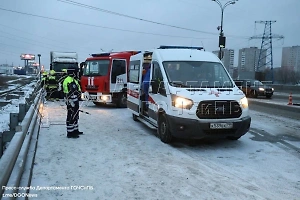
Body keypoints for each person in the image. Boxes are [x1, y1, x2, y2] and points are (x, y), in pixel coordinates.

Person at [63, 65, 83, 138]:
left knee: (75, 116)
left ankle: (75, 130)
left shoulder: (73, 79)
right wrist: (72, 100)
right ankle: (70, 133)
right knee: (71, 116)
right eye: (76, 72)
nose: (77, 73)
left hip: (75, 101)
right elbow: (70, 92)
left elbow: (77, 90)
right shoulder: (68, 80)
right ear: (73, 72)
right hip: (72, 102)